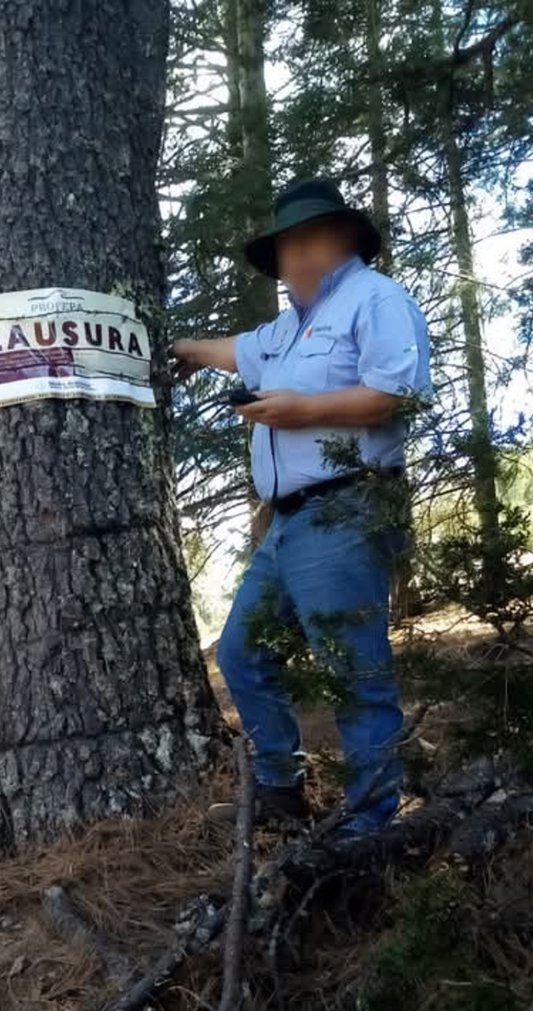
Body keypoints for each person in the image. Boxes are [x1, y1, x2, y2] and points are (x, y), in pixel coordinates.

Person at [172, 178, 431, 835]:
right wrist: (187, 352)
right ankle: (281, 789)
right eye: (288, 248)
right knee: (240, 653)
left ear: (346, 239)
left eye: (314, 240)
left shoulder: (375, 298)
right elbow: (240, 350)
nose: (301, 257)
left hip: (349, 508)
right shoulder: (291, 327)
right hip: (288, 521)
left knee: (354, 671)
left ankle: (371, 824)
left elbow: (401, 393)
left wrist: (301, 410)